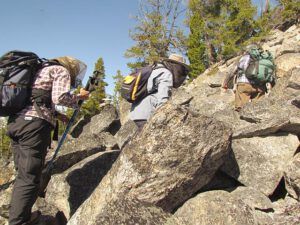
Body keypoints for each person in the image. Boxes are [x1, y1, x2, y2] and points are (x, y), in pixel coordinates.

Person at [6, 56, 90, 225]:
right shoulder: (60, 70)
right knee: (29, 176)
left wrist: (58, 115)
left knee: (23, 174)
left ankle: (21, 215)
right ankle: (19, 221)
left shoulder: (38, 71)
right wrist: (79, 97)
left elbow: (38, 97)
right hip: (34, 127)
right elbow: (59, 98)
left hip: (16, 123)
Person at [130, 53, 189, 130]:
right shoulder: (166, 73)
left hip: (136, 113)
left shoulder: (156, 69)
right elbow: (163, 97)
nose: (181, 71)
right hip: (146, 114)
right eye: (181, 68)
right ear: (176, 65)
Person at [222, 44, 272, 111]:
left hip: (244, 85)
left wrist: (225, 83)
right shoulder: (263, 58)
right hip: (259, 86)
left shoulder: (243, 58)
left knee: (240, 109)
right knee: (258, 108)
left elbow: (232, 71)